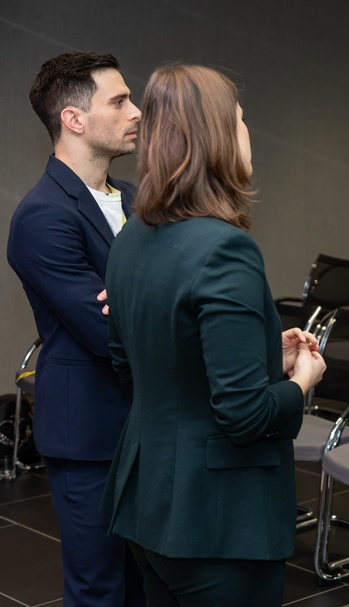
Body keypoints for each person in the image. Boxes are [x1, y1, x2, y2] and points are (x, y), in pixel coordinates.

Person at [100, 64, 326, 606]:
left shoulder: (131, 239)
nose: (249, 133)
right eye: (242, 121)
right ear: (218, 138)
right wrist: (301, 381)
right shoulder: (226, 248)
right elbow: (244, 415)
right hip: (217, 519)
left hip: (148, 505)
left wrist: (261, 355)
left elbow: (139, 365)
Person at [7, 51, 146, 607]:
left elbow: (153, 306)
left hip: (147, 424)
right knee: (101, 591)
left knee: (146, 584)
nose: (136, 111)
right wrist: (145, 305)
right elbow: (105, 329)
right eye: (119, 101)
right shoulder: (43, 215)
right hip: (92, 434)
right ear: (74, 119)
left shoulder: (137, 200)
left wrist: (137, 303)